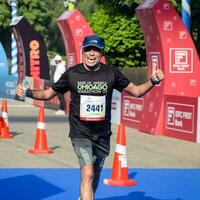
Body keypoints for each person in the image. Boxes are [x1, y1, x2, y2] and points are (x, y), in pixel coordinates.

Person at [16, 34, 164, 200]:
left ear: (102, 53)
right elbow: (48, 93)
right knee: (88, 172)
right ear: (83, 51)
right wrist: (27, 92)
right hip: (80, 133)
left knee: (94, 174)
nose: (91, 53)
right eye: (88, 49)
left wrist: (152, 81)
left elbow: (136, 92)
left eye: (96, 50)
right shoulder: (72, 73)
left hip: (102, 135)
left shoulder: (112, 73)